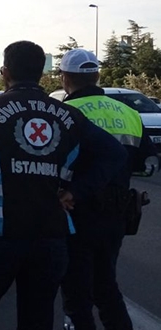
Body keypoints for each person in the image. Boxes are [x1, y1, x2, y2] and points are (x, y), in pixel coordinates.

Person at [0, 40, 127, 330]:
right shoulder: (69, 115)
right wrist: (76, 190)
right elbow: (115, 154)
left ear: (4, 72)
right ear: (41, 73)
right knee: (38, 318)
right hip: (51, 236)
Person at [58, 49, 159, 330]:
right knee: (107, 287)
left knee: (76, 290)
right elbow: (147, 165)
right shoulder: (129, 112)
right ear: (98, 76)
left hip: (73, 212)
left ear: (65, 78)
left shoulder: (67, 113)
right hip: (116, 214)